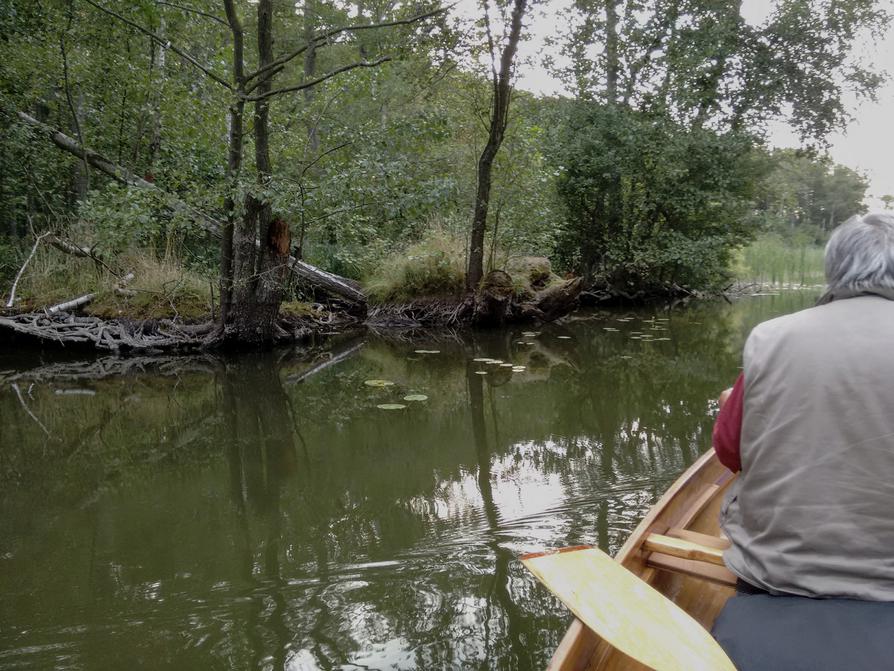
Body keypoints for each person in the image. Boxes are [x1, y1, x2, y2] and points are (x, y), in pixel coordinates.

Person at [709, 213, 894, 670]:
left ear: (834, 269)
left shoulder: (770, 337)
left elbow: (729, 451)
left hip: (777, 575)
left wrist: (735, 403)